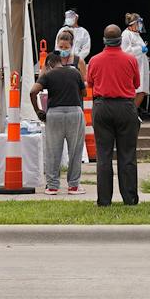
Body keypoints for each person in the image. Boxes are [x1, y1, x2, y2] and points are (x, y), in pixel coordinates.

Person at [86, 24, 142, 206]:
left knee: (103, 155)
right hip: (125, 106)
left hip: (102, 106)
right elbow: (136, 84)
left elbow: (90, 83)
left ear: (104, 40)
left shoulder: (94, 60)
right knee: (127, 154)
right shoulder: (131, 60)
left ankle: (104, 200)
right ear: (120, 40)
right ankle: (130, 198)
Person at [31, 51, 86, 196]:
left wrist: (39, 111)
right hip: (75, 112)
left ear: (48, 64)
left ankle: (53, 186)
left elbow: (33, 91)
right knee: (75, 150)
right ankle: (74, 186)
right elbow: (84, 93)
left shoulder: (48, 75)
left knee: (53, 151)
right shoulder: (75, 73)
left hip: (54, 113)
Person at [121, 12, 150, 118]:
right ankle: (129, 114)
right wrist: (140, 49)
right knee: (135, 91)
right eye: (138, 23)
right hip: (133, 66)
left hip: (142, 66)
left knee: (142, 91)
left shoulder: (137, 35)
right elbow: (125, 51)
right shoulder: (126, 35)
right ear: (133, 24)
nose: (140, 26)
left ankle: (133, 112)